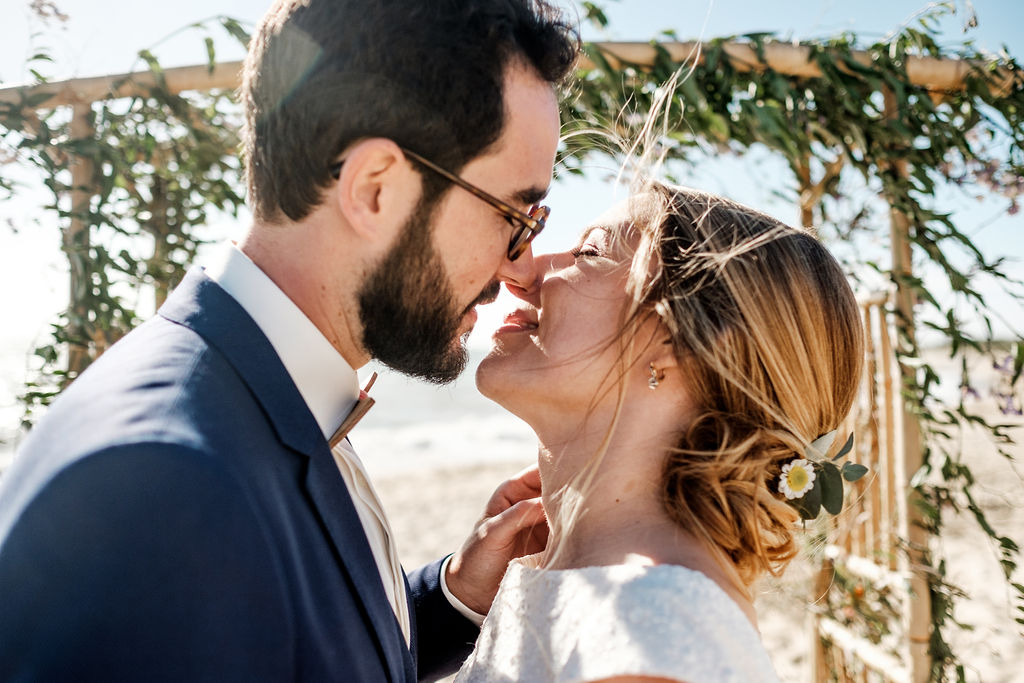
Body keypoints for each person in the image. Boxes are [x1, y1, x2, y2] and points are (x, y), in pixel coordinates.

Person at [0, 1, 577, 680]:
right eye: (515, 216)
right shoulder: (168, 486)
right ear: (375, 189)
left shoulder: (262, 387)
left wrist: (454, 594)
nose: (518, 266)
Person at [456, 181, 865, 682]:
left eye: (589, 251)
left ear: (682, 341)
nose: (522, 270)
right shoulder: (604, 594)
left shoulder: (646, 636)